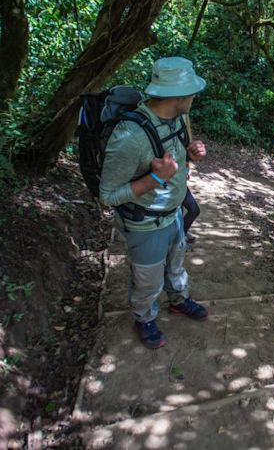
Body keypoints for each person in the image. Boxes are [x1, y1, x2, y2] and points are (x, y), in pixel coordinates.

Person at [99, 56, 208, 349]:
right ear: (177, 94)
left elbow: (173, 156)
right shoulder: (130, 136)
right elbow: (107, 195)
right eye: (191, 90)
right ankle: (145, 317)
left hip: (173, 213)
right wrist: (156, 179)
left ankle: (178, 300)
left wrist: (190, 152)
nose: (195, 95)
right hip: (145, 222)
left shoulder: (179, 118)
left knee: (176, 265)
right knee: (147, 279)